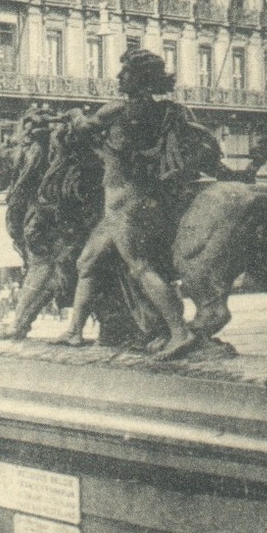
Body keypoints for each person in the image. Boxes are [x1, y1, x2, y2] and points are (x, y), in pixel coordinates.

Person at [61, 48, 229, 359]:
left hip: (124, 204)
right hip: (143, 200)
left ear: (139, 79)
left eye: (124, 73)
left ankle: (179, 332)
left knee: (140, 267)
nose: (118, 77)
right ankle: (73, 331)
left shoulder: (117, 111)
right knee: (87, 262)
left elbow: (83, 129)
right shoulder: (167, 112)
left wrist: (73, 114)